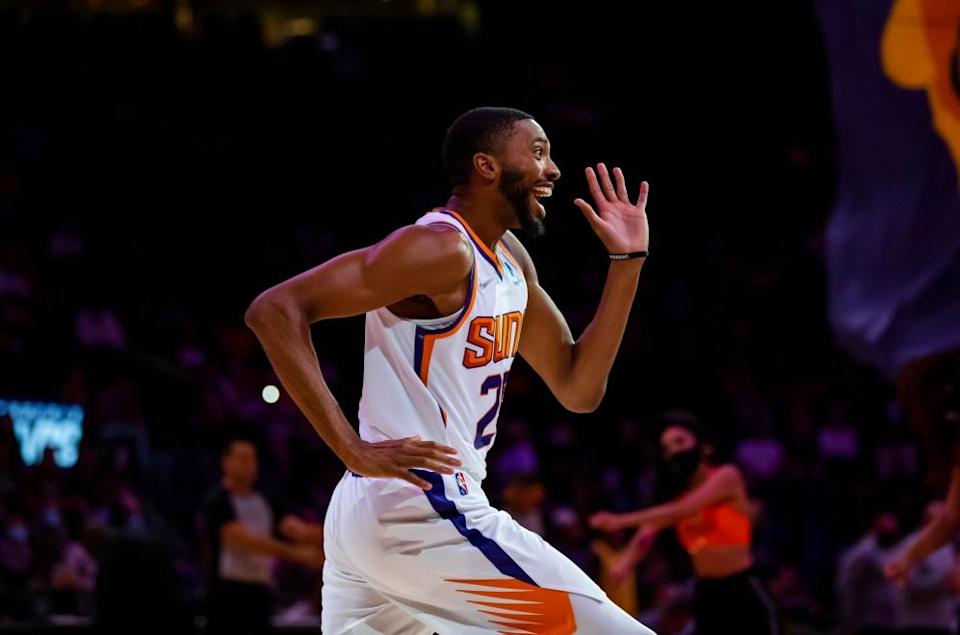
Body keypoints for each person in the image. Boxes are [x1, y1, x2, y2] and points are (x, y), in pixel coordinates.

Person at [245, 106, 655, 634]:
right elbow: (275, 310)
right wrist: (349, 445)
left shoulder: (509, 259)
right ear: (486, 166)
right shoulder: (439, 247)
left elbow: (578, 387)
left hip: (385, 516)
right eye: (537, 152)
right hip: (420, 507)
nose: (552, 169)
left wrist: (627, 264)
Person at [589, 412, 778, 634]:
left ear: (703, 445)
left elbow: (684, 510)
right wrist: (625, 563)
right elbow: (649, 530)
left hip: (742, 590)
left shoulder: (727, 476)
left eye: (680, 441)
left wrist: (619, 521)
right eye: (667, 448)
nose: (674, 451)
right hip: (707, 594)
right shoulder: (677, 498)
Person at [202, 434, 324, 635]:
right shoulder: (217, 501)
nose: (249, 464)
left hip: (259, 589)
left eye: (253, 458)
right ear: (225, 462)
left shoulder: (265, 498)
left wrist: (328, 537)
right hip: (227, 593)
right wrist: (298, 554)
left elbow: (294, 528)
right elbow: (243, 540)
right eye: (242, 458)